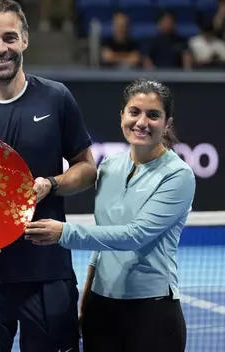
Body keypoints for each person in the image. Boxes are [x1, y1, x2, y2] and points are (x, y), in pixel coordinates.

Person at [0, 0, 98, 352]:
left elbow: (87, 169)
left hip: (48, 271)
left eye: (9, 37)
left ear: (25, 39)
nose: (1, 48)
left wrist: (52, 184)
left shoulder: (56, 98)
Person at [24, 79, 195, 352]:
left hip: (152, 310)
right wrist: (87, 299)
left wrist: (64, 233)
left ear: (167, 123)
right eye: (134, 112)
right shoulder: (109, 167)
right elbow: (102, 242)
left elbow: (135, 235)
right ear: (122, 117)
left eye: (153, 115)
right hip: (101, 307)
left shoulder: (178, 175)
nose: (142, 122)